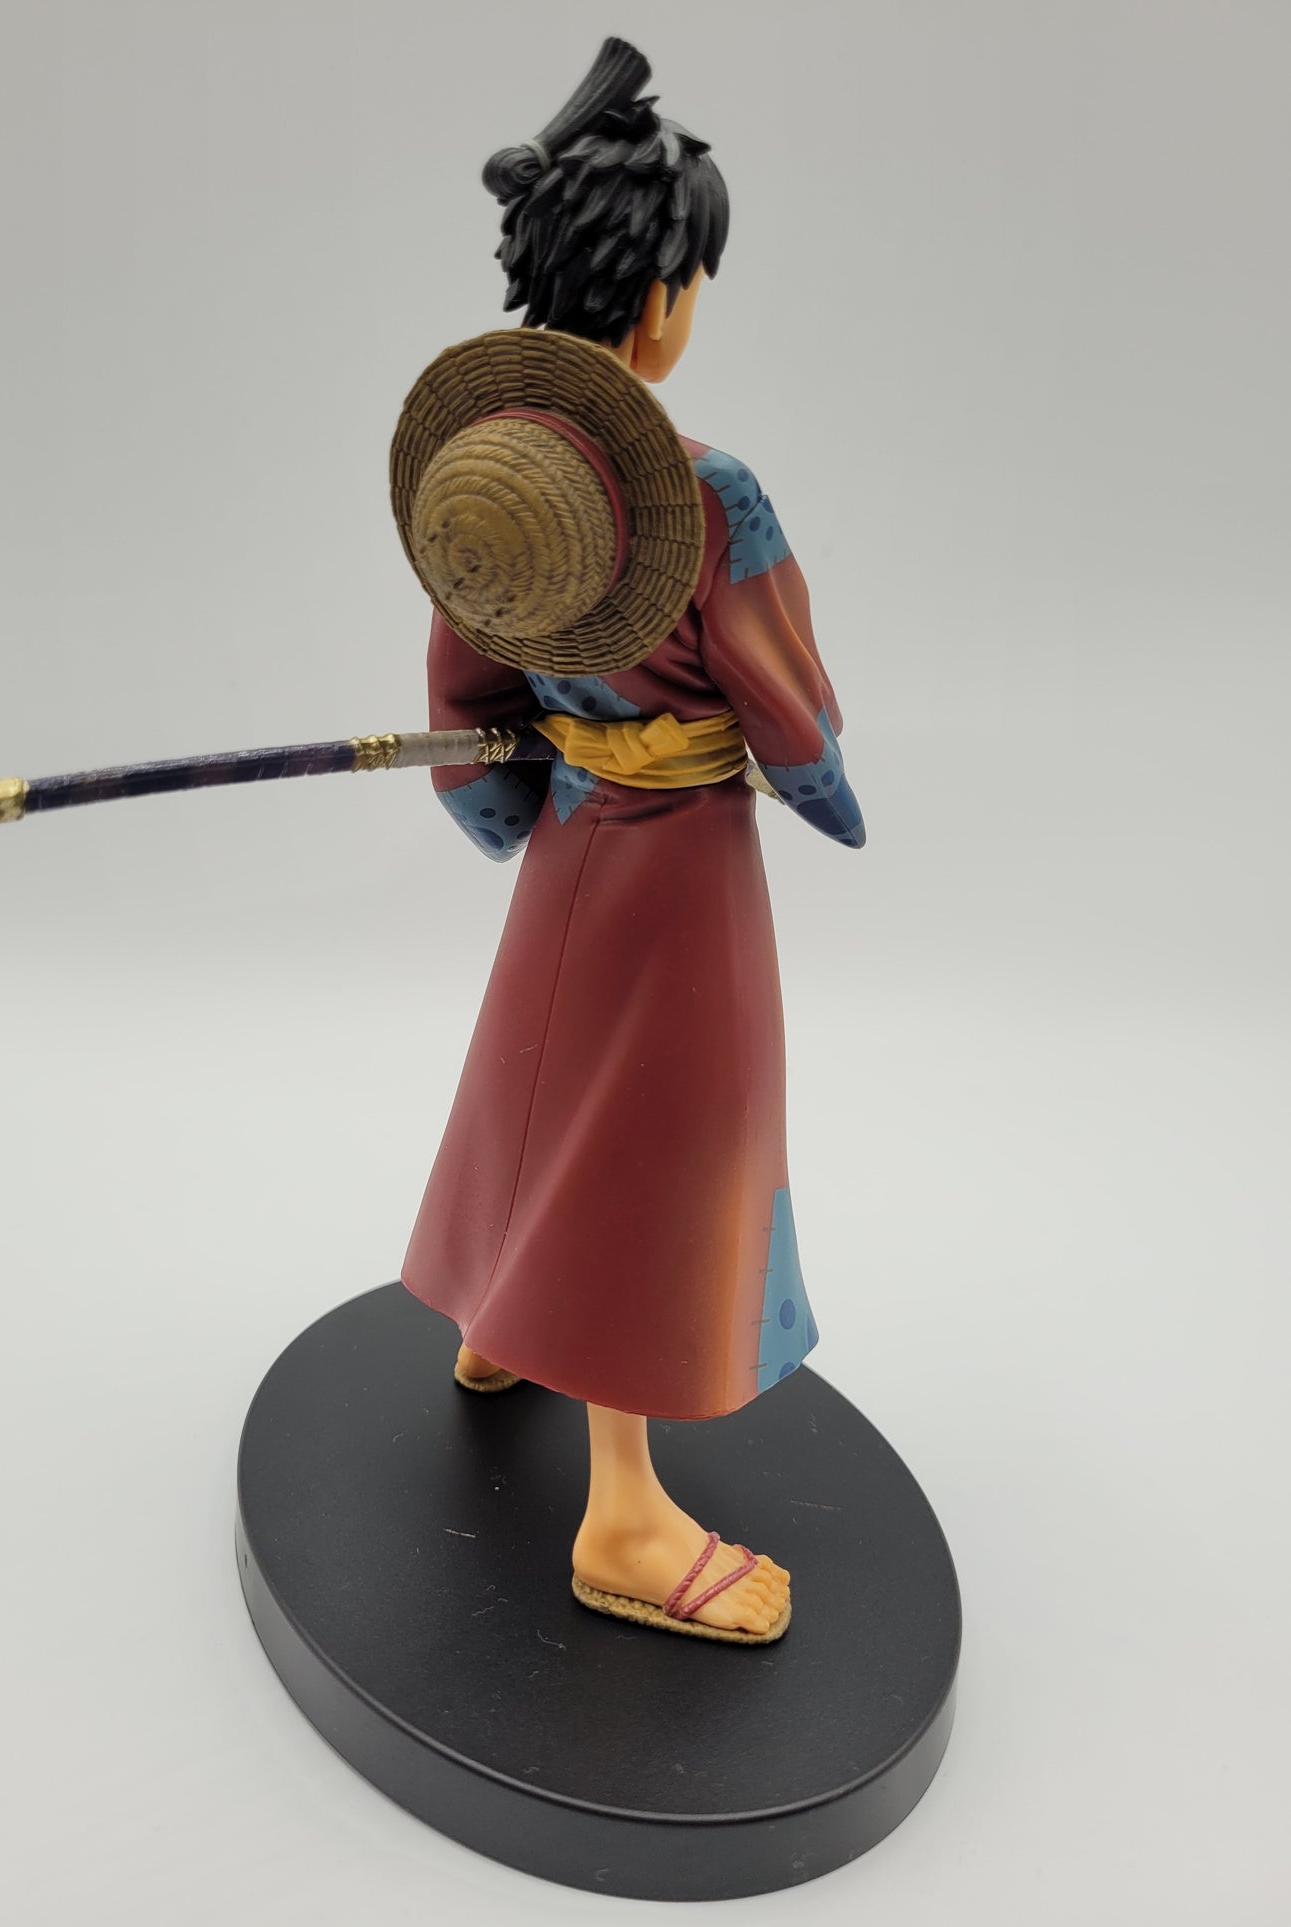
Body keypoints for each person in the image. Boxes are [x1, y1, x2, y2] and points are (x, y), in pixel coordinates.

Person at [397, 38, 865, 1645]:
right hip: (674, 865)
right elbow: (788, 702)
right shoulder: (705, 493)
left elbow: (463, 699)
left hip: (568, 844)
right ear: (661, 295)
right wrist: (809, 778)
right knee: (662, 1147)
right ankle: (621, 1514)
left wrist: (529, 788)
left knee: (537, 1086)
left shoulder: (489, 474)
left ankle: (497, 1316)